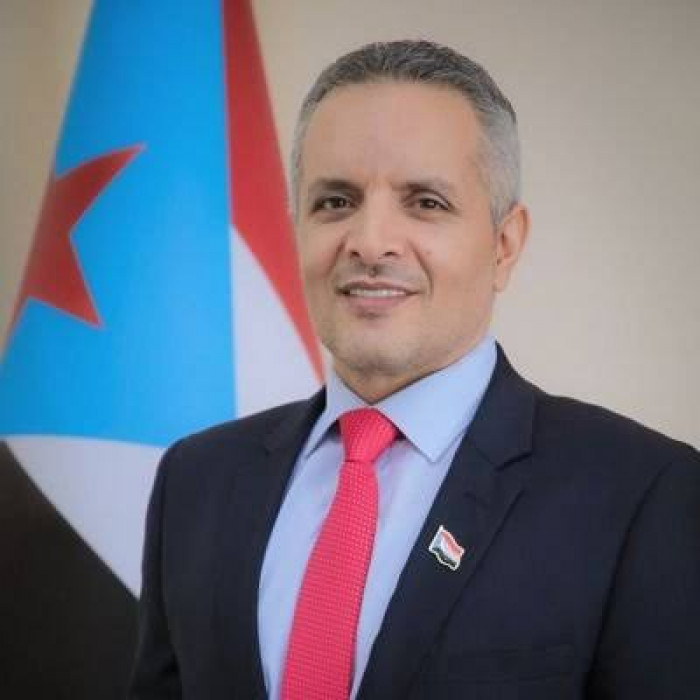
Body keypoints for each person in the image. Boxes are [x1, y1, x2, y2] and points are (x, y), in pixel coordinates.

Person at [128, 40, 700, 699]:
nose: (370, 242)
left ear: (504, 245)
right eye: (335, 202)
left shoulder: (641, 493)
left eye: (426, 202)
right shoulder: (195, 480)